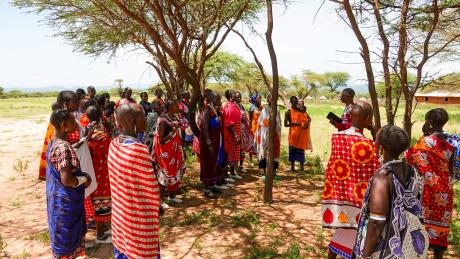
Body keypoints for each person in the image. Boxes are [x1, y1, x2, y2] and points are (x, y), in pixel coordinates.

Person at [353, 125, 428, 258]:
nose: (374, 143)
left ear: (381, 148)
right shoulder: (414, 172)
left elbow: (377, 222)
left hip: (387, 249)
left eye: (376, 140)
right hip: (412, 246)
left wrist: (364, 254)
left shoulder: (382, 176)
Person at [321, 101, 380, 259]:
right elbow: (377, 169)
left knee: (343, 233)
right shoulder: (368, 145)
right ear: (367, 119)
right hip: (358, 202)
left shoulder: (337, 138)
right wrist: (374, 132)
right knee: (355, 238)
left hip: (339, 197)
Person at [108, 103, 160, 259]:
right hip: (138, 219)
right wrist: (157, 207)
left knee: (125, 249)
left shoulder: (114, 144)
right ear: (132, 122)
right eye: (143, 115)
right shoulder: (138, 150)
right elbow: (151, 189)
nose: (146, 118)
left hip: (120, 215)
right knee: (141, 252)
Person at [405, 108, 455, 259]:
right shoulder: (450, 147)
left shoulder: (422, 143)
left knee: (420, 232)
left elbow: (409, 158)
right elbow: (450, 172)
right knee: (439, 236)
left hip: (425, 193)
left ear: (430, 122)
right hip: (444, 195)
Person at [46, 109, 92, 259]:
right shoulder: (63, 147)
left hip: (57, 201)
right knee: (68, 241)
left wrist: (84, 138)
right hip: (67, 204)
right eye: (73, 122)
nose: (76, 124)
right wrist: (84, 179)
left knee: (62, 237)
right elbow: (67, 180)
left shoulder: (54, 142)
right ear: (64, 125)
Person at [85, 106, 112, 244]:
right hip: (103, 173)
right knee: (101, 202)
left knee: (98, 202)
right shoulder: (102, 136)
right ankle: (100, 235)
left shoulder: (87, 135)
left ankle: (103, 230)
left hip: (92, 174)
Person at [39, 91, 80, 180]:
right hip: (63, 168)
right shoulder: (58, 123)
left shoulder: (71, 118)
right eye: (75, 101)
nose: (78, 104)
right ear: (65, 104)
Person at [153, 99, 186, 203]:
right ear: (170, 107)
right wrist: (173, 131)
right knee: (164, 176)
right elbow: (161, 140)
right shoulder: (163, 121)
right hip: (166, 154)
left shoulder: (174, 117)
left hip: (176, 151)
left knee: (176, 172)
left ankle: (172, 196)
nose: (178, 107)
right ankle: (160, 200)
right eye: (176, 106)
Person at [254, 94, 281, 175]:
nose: (272, 100)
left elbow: (278, 123)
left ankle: (274, 170)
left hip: (274, 133)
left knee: (274, 150)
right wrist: (268, 124)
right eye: (270, 98)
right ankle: (263, 169)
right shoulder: (264, 110)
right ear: (267, 100)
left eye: (273, 98)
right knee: (264, 150)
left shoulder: (277, 110)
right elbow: (261, 123)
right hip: (264, 134)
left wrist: (274, 127)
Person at [284, 96, 312, 172]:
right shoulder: (288, 112)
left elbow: (309, 118)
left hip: (301, 135)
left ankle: (302, 168)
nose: (295, 104)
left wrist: (307, 124)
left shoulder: (301, 111)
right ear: (290, 103)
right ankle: (292, 167)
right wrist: (293, 124)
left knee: (301, 151)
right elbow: (285, 124)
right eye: (294, 103)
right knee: (292, 151)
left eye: (296, 102)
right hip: (293, 135)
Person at [223, 90, 243, 181]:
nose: (236, 95)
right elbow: (229, 123)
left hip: (237, 132)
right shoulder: (228, 106)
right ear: (231, 96)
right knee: (231, 153)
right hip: (232, 134)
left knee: (235, 153)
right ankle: (229, 173)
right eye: (234, 94)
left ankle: (233, 171)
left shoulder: (233, 105)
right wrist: (235, 135)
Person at [235, 91, 254, 173]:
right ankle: (234, 167)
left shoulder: (241, 106)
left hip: (242, 130)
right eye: (237, 96)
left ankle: (241, 165)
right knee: (236, 148)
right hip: (235, 131)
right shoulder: (233, 106)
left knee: (242, 149)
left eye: (240, 96)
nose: (239, 98)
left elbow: (245, 117)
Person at [248, 93, 263, 166]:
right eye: (258, 98)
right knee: (252, 143)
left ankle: (258, 158)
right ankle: (250, 160)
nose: (259, 99)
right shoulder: (251, 108)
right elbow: (250, 120)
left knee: (259, 143)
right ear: (255, 99)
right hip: (254, 128)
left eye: (260, 97)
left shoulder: (262, 107)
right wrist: (250, 129)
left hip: (261, 128)